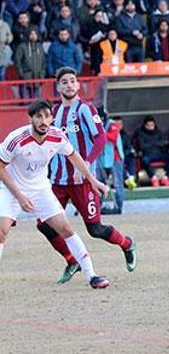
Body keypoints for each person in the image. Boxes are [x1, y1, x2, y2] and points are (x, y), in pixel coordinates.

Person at [36, 68, 137, 284]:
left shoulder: (86, 109)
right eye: (64, 82)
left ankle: (127, 244)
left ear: (78, 85)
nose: (69, 85)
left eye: (73, 81)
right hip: (58, 182)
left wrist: (88, 162)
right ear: (58, 87)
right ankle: (71, 260)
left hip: (83, 181)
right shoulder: (54, 113)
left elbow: (100, 138)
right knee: (44, 224)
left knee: (95, 229)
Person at [0, 100, 110, 289]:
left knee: (66, 229)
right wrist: (19, 196)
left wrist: (93, 180)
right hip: (12, 189)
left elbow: (74, 156)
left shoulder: (57, 136)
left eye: (47, 116)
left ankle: (91, 275)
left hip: (41, 189)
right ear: (31, 119)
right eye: (38, 116)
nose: (43, 121)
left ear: (52, 118)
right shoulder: (16, 138)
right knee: (1, 231)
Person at [97, 110, 126, 215]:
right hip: (100, 157)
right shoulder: (95, 124)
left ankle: (119, 206)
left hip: (115, 158)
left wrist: (100, 132)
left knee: (118, 183)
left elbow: (112, 137)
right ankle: (97, 207)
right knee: (99, 182)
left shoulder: (112, 124)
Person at [134, 116, 169, 187]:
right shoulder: (141, 133)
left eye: (152, 125)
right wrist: (156, 143)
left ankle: (165, 177)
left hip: (160, 154)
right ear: (145, 125)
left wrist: (151, 143)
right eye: (148, 125)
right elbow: (142, 145)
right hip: (148, 154)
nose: (150, 127)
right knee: (144, 160)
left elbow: (163, 143)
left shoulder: (158, 132)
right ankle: (153, 178)